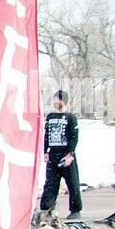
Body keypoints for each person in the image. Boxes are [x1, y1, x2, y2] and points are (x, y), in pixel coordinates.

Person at [39, 90, 82, 218]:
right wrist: (45, 151)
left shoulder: (71, 118)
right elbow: (46, 135)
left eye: (59, 99)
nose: (56, 102)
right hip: (53, 155)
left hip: (66, 156)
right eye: (55, 99)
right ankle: (47, 208)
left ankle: (75, 210)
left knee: (72, 183)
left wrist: (70, 154)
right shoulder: (51, 117)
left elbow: (74, 137)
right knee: (50, 184)